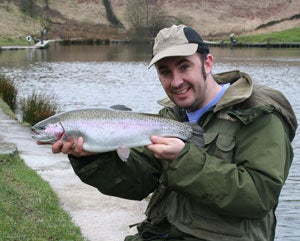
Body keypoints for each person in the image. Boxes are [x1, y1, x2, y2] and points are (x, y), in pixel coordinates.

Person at [46, 25, 297, 240]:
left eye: (184, 66)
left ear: (207, 64)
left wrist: (182, 159)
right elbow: (138, 182)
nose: (176, 81)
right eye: (165, 72)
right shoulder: (172, 116)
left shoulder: (259, 116)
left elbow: (259, 196)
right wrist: (92, 157)